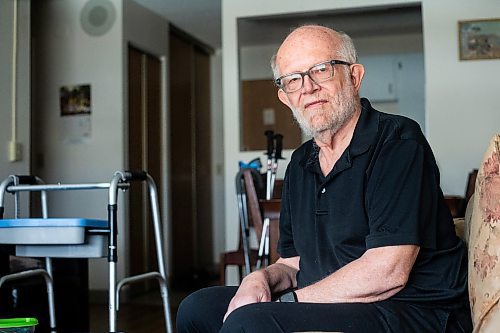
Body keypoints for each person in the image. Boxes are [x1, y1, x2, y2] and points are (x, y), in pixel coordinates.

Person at [176, 25, 472, 332]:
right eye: (293, 79)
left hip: (412, 309)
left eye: (321, 69)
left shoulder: (398, 142)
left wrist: (285, 304)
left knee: (250, 323)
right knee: (198, 308)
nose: (308, 87)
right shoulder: (300, 163)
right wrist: (259, 279)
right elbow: (292, 263)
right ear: (285, 97)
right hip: (333, 300)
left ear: (354, 77)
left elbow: (388, 273)